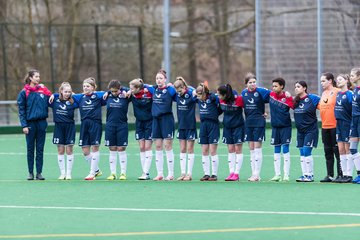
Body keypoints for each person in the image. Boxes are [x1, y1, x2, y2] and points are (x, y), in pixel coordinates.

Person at [17, 69, 52, 180]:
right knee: (30, 149)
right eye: (36, 76)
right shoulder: (24, 92)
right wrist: (24, 125)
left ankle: (39, 173)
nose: (38, 78)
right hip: (30, 124)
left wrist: (68, 95)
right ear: (31, 78)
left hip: (42, 123)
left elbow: (52, 99)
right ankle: (30, 173)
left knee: (40, 149)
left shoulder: (43, 90)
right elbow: (21, 110)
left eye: (39, 76)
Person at [70, 77, 106, 180]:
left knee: (95, 147)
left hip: (95, 124)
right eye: (84, 86)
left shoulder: (98, 96)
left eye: (88, 86)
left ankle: (92, 173)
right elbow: (66, 95)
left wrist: (106, 93)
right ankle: (96, 170)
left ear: (93, 87)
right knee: (85, 150)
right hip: (84, 124)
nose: (85, 88)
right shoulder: (80, 97)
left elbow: (109, 93)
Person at [145, 70, 177, 181]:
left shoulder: (170, 90)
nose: (158, 80)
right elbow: (141, 84)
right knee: (158, 146)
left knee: (167, 146)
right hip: (156, 121)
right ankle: (160, 174)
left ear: (165, 79)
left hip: (167, 120)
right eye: (157, 78)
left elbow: (183, 89)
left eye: (161, 78)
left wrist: (172, 85)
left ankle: (171, 174)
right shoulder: (153, 89)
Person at [241, 73, 270, 182]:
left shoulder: (261, 91)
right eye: (250, 82)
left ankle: (257, 174)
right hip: (248, 122)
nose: (253, 84)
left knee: (257, 148)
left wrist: (265, 113)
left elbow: (274, 97)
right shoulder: (244, 93)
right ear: (246, 84)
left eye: (254, 82)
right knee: (251, 149)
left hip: (259, 122)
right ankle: (253, 173)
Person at [49, 82, 78, 180]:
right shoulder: (55, 100)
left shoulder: (73, 101)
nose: (67, 93)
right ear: (61, 91)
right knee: (60, 150)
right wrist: (54, 95)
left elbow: (83, 98)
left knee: (69, 150)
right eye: (65, 91)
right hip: (58, 127)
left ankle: (69, 173)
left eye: (69, 92)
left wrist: (74, 96)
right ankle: (62, 173)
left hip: (70, 127)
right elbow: (46, 96)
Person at [194, 82, 222, 181]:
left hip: (213, 125)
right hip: (203, 125)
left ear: (205, 93)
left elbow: (220, 107)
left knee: (213, 150)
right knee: (204, 150)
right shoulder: (198, 99)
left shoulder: (213, 98)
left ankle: (214, 174)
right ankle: (206, 174)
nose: (198, 97)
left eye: (200, 94)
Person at [293, 81, 320, 182]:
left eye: (298, 86)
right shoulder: (295, 101)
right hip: (300, 131)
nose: (296, 88)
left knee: (306, 151)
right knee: (301, 152)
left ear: (304, 88)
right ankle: (304, 174)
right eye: (295, 87)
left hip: (311, 130)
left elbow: (325, 105)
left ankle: (310, 175)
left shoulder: (312, 98)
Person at [104, 80, 131, 180]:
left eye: (116, 91)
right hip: (110, 125)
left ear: (120, 89)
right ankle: (113, 173)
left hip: (122, 125)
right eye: (112, 91)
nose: (114, 93)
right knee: (112, 148)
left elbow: (135, 89)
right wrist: (107, 93)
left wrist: (125, 90)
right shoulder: (107, 96)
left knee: (121, 148)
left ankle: (123, 173)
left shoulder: (125, 96)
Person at [217, 84, 244, 181]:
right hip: (227, 127)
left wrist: (262, 113)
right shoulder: (221, 100)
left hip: (238, 127)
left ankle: (237, 173)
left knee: (238, 149)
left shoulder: (239, 100)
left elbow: (249, 108)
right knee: (230, 149)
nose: (218, 96)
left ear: (225, 95)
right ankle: (231, 173)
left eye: (219, 95)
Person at [268, 78, 294, 182]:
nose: (274, 88)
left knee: (285, 150)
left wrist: (290, 96)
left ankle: (286, 175)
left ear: (282, 86)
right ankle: (277, 174)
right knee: (276, 150)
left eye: (276, 86)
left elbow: (294, 107)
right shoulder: (270, 95)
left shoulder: (287, 97)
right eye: (273, 86)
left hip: (285, 127)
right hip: (275, 127)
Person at [318, 73, 342, 183]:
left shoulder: (337, 91)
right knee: (328, 152)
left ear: (330, 81)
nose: (321, 83)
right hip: (325, 126)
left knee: (337, 151)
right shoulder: (324, 93)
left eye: (323, 81)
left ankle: (341, 174)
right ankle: (330, 175)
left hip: (335, 126)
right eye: (321, 81)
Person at [173, 77, 197, 181]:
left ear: (184, 87)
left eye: (180, 90)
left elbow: (197, 92)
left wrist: (191, 89)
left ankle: (189, 174)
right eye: (177, 91)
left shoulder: (191, 94)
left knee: (190, 149)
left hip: (190, 126)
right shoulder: (177, 95)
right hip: (181, 126)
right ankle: (183, 173)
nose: (179, 93)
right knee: (182, 149)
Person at [129, 78, 153, 180]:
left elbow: (155, 88)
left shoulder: (149, 93)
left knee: (147, 147)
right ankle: (144, 172)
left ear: (138, 88)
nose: (130, 90)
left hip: (150, 122)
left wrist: (146, 86)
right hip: (139, 123)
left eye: (132, 89)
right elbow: (119, 88)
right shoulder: (132, 94)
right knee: (142, 147)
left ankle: (146, 173)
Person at [334, 74, 353, 183]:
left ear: (346, 81)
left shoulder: (349, 94)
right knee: (340, 149)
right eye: (337, 80)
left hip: (347, 124)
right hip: (339, 124)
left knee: (347, 149)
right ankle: (344, 174)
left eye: (340, 80)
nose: (338, 82)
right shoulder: (338, 94)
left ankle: (349, 175)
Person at [349, 67, 360, 184]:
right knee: (352, 148)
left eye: (352, 75)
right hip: (354, 121)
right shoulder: (355, 89)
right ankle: (359, 173)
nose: (351, 77)